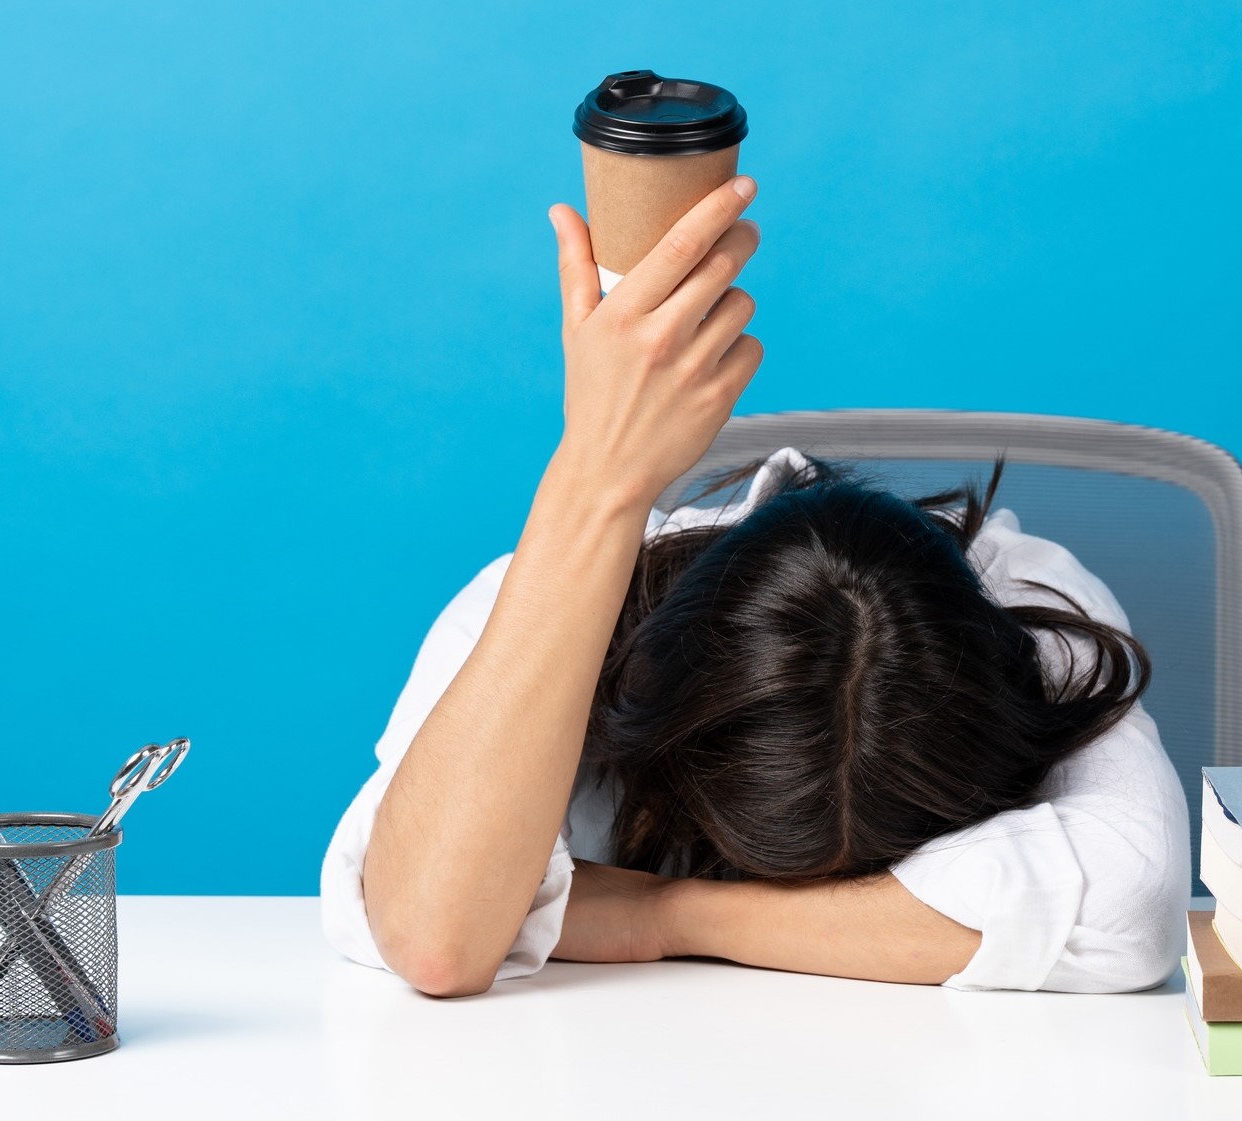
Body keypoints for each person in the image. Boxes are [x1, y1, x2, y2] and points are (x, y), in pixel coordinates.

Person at [320, 175, 1191, 997]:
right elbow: (431, 935)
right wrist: (594, 480)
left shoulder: (1022, 600)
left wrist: (667, 914)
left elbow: (1133, 907)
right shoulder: (545, 611)